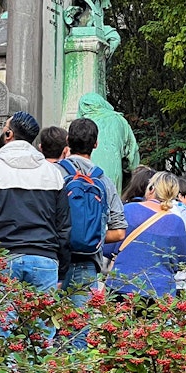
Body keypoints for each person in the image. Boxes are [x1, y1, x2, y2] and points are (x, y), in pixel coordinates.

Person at [0, 112, 69, 295]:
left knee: (1, 322)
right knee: (41, 322)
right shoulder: (53, 174)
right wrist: (61, 266)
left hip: (1, 259)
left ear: (9, 135)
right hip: (45, 258)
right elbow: (63, 226)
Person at [58, 119, 126, 348]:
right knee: (78, 333)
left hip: (53, 260)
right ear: (95, 144)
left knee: (42, 331)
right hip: (86, 263)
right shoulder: (103, 181)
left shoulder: (53, 173)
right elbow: (119, 232)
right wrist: (92, 235)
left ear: (67, 141)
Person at [106, 172, 186, 302]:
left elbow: (108, 248)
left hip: (122, 285)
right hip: (160, 291)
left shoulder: (128, 210)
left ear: (151, 189)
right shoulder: (177, 222)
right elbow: (181, 261)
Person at [74, 93, 140, 189]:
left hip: (85, 174)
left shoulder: (81, 125)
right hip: (113, 174)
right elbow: (133, 153)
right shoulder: (119, 120)